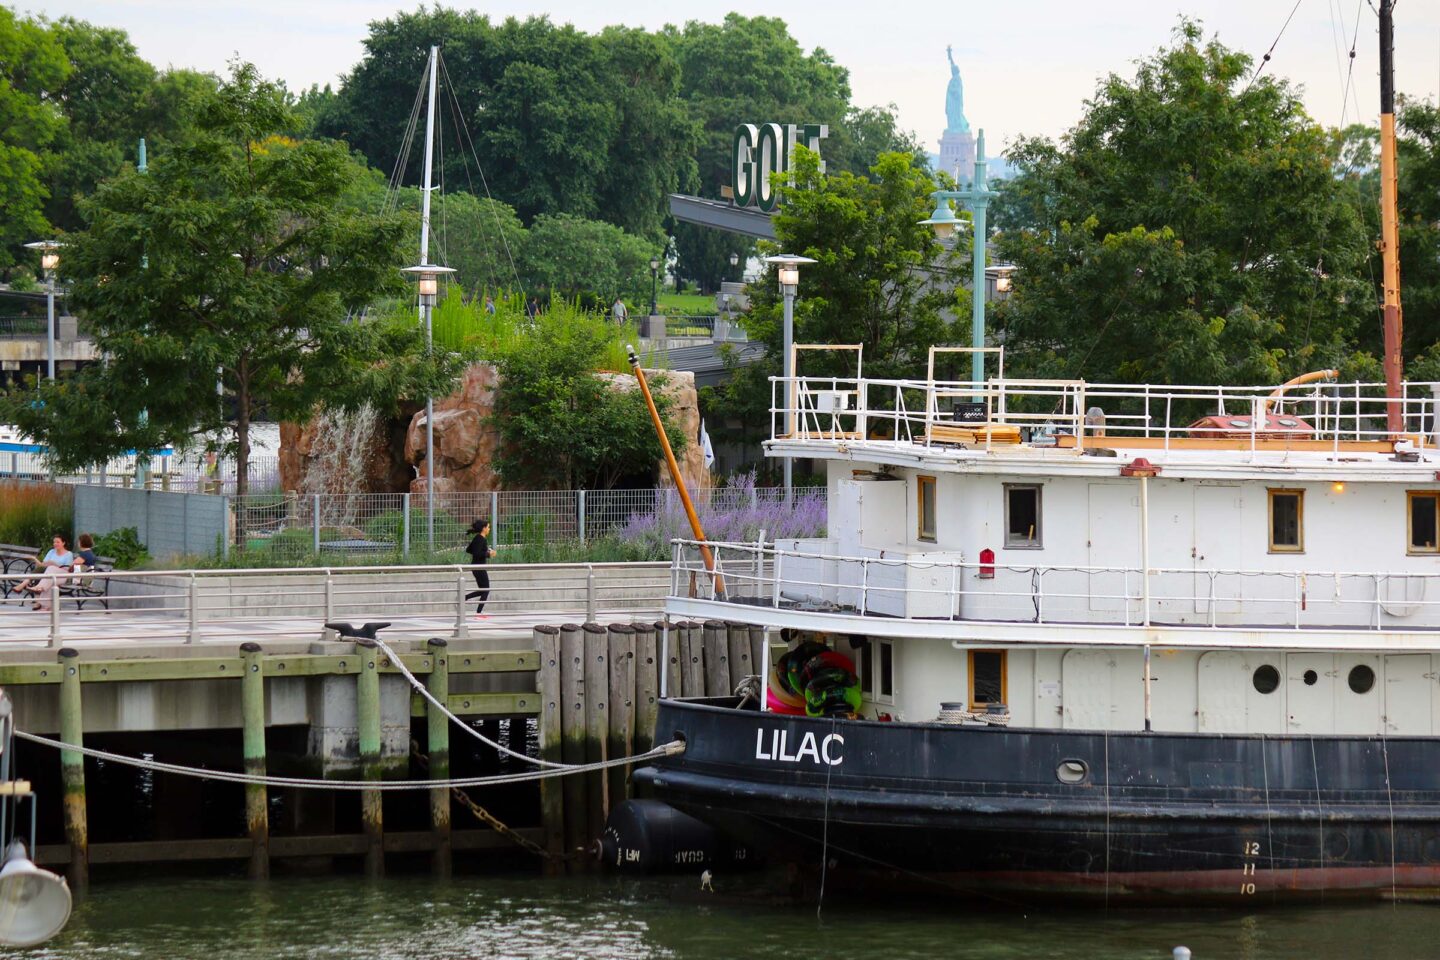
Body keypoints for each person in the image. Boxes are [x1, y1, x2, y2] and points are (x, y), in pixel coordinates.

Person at [21, 535, 74, 612]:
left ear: (63, 543)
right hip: (51, 575)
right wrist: (36, 559)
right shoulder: (51, 552)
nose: (55, 544)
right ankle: (46, 606)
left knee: (50, 570)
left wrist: (54, 564)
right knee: (50, 579)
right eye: (54, 542)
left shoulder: (69, 554)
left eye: (58, 542)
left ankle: (39, 588)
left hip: (63, 576)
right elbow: (43, 564)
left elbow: (67, 568)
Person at [464, 518, 496, 618]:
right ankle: (478, 613)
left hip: (477, 567)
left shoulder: (478, 538)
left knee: (484, 590)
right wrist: (488, 554)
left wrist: (486, 551)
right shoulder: (480, 539)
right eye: (488, 527)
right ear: (483, 528)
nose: (489, 529)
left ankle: (465, 597)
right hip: (479, 568)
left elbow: (469, 550)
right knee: (486, 590)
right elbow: (477, 553)